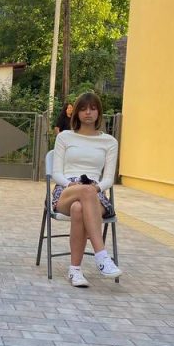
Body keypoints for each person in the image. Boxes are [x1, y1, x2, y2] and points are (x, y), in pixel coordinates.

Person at [51, 91, 120, 287]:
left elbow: (109, 179)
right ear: (76, 113)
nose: (88, 113)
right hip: (67, 188)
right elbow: (56, 173)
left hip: (95, 190)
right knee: (83, 194)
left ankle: (75, 271)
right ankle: (101, 255)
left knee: (78, 208)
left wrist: (95, 188)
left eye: (93, 108)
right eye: (83, 109)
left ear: (99, 112)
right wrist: (70, 184)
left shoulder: (109, 142)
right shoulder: (65, 137)